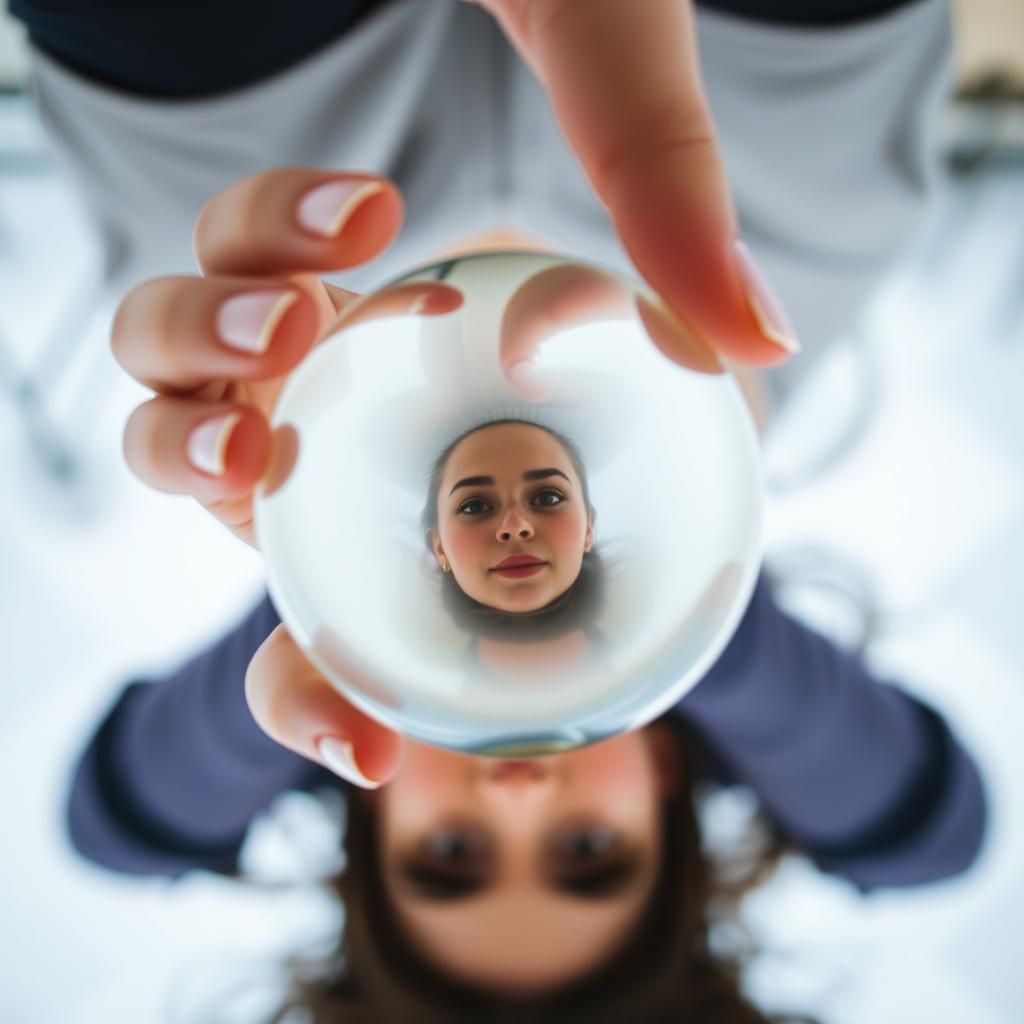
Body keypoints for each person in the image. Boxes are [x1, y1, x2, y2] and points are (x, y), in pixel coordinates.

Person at [64, 167, 989, 1022]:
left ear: (371, 808)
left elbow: (117, 830)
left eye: (450, 856)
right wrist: (674, 617)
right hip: (727, 192)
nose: (515, 796)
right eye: (590, 852)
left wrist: (351, 607)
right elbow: (932, 841)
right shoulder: (736, 322)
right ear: (664, 781)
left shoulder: (280, 355)